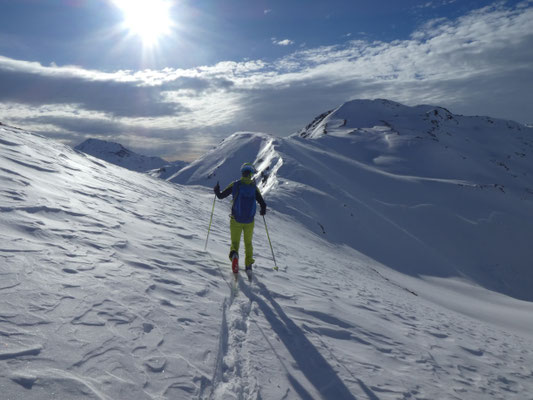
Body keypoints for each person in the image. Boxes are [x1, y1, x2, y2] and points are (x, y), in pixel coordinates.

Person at [214, 163, 267, 274]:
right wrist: (262, 211)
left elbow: (220, 196)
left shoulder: (235, 185)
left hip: (236, 219)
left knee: (235, 241)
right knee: (248, 243)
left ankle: (234, 255)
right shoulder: (253, 187)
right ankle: (248, 264)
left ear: (242, 173)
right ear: (251, 174)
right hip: (249, 221)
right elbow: (263, 203)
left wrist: (216, 190)